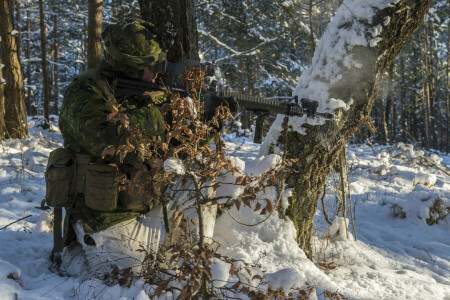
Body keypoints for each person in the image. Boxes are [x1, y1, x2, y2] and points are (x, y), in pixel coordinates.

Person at [57, 18, 179, 276]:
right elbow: (104, 137)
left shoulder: (148, 93)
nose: (158, 71)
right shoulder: (85, 91)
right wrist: (161, 118)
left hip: (145, 201)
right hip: (104, 215)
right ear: (129, 68)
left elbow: (174, 145)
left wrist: (207, 125)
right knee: (129, 280)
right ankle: (77, 253)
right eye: (152, 65)